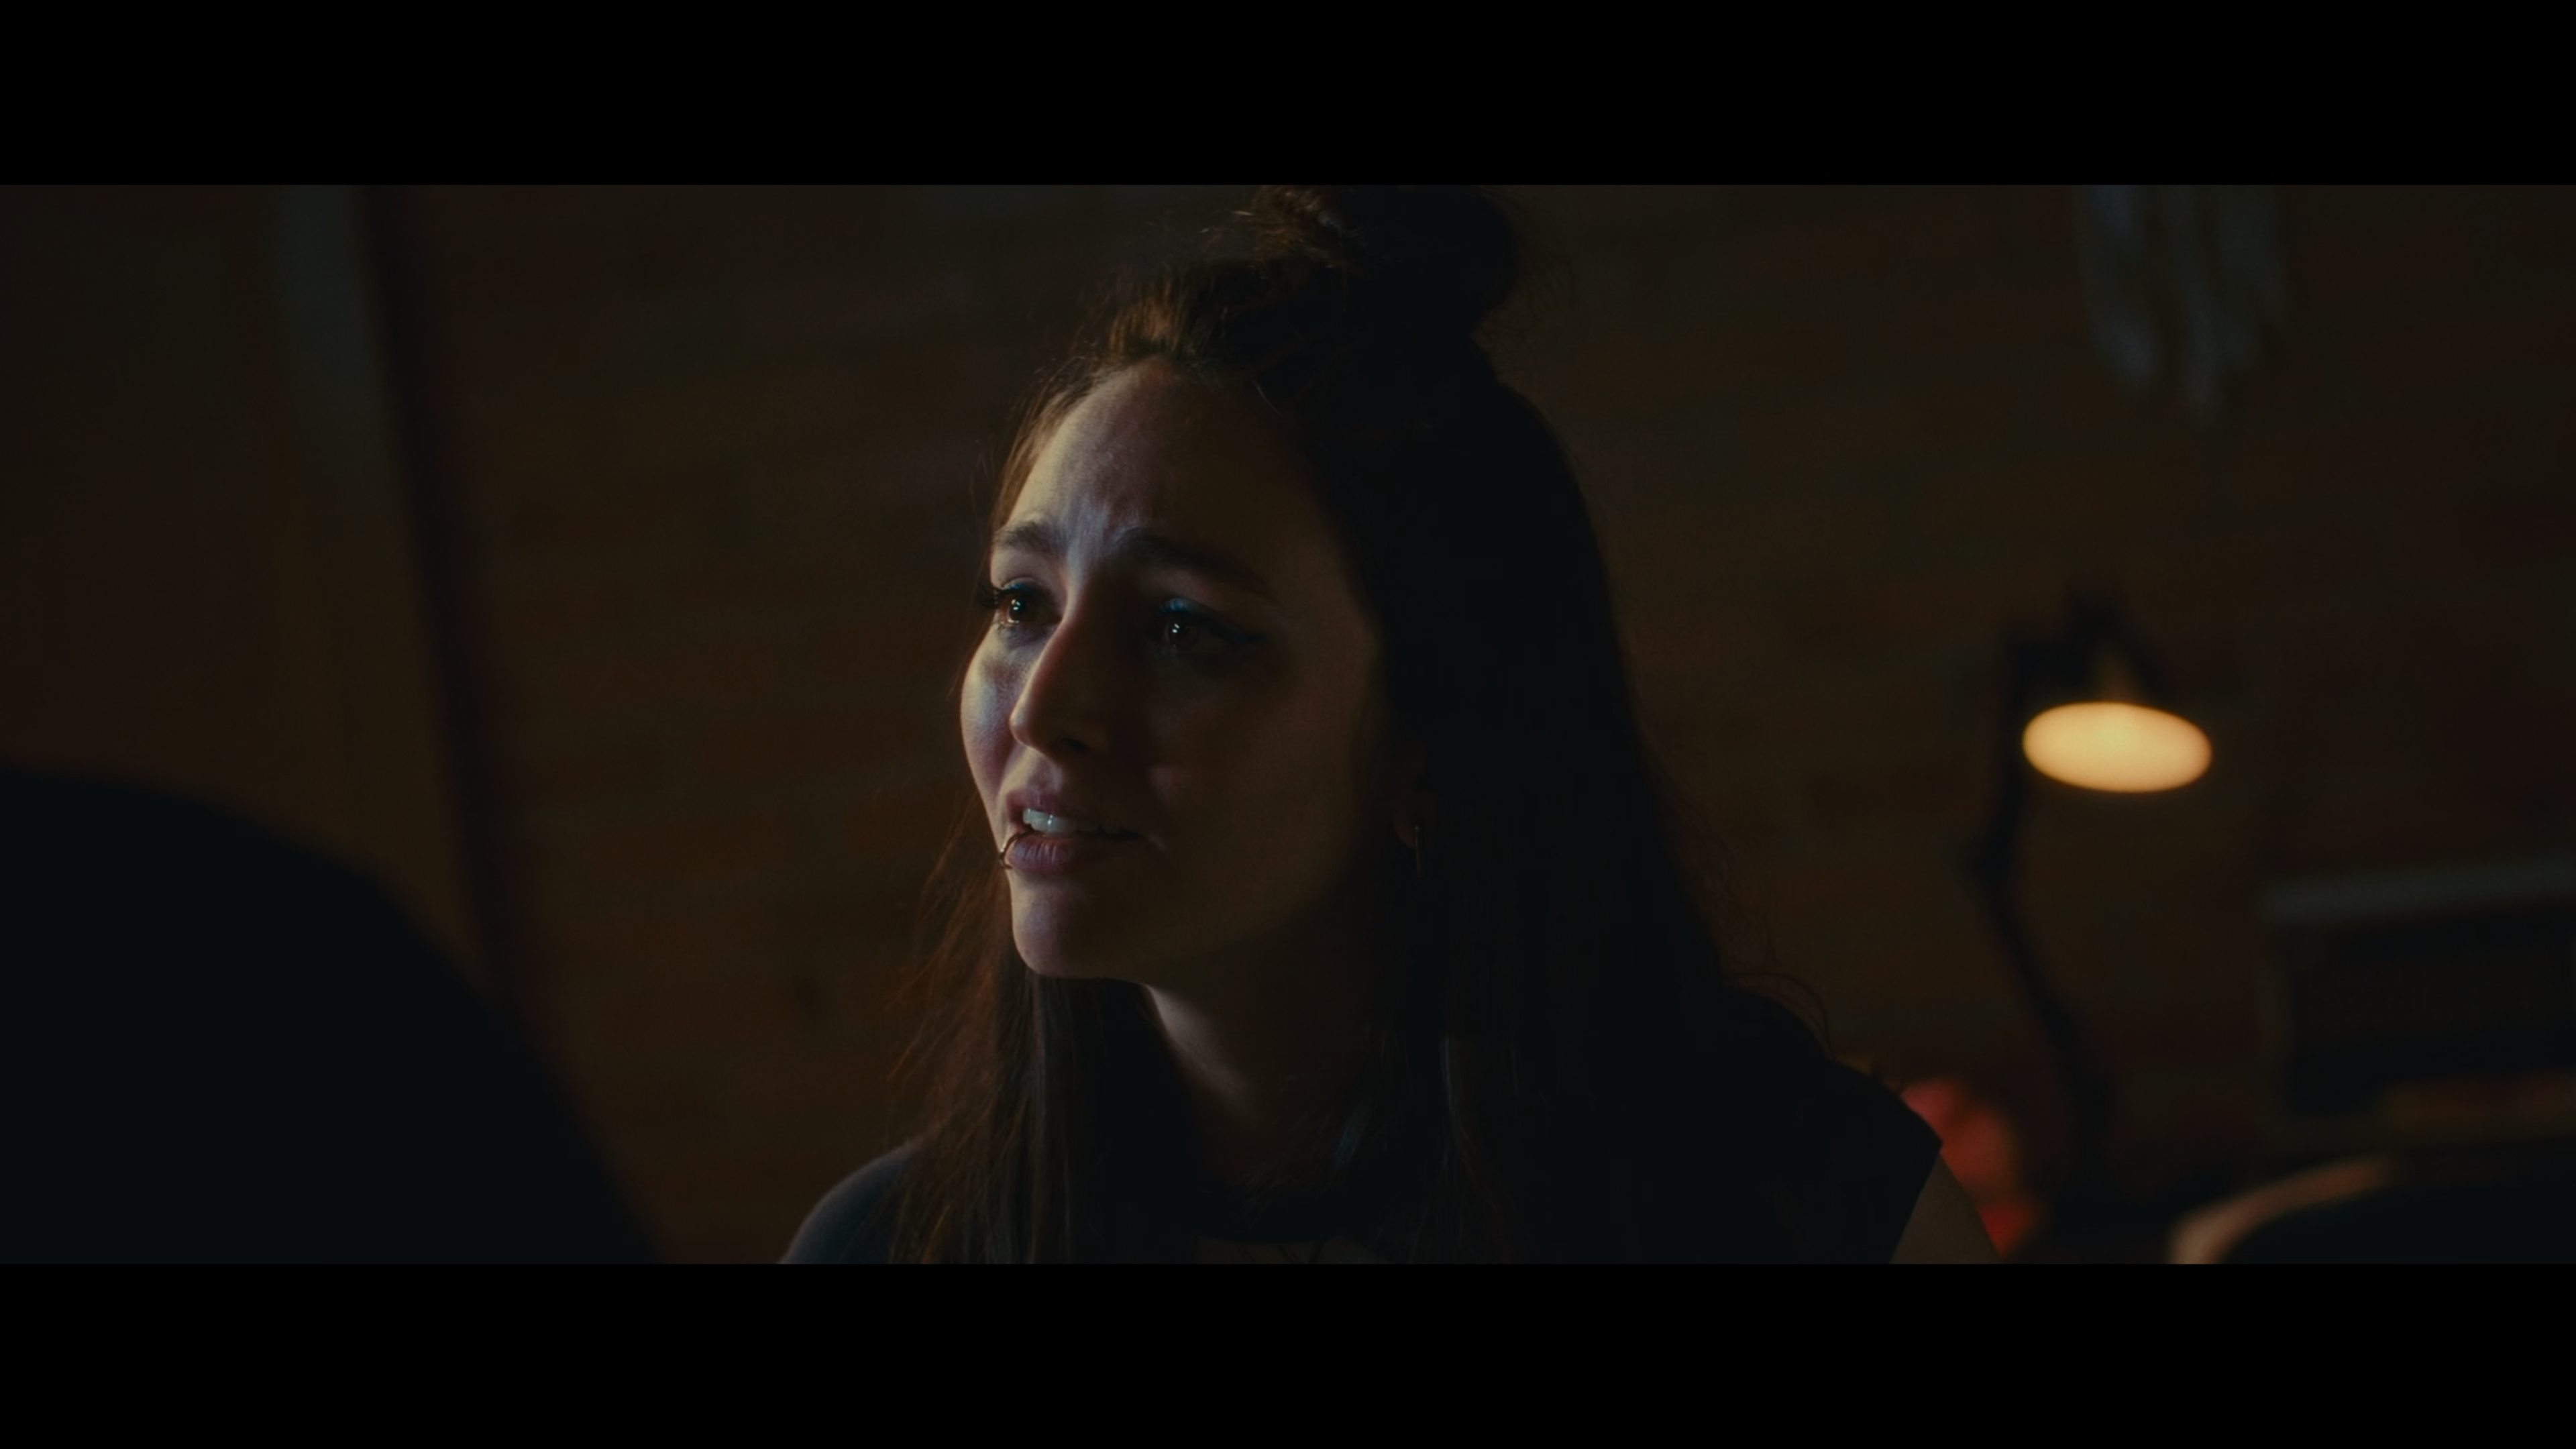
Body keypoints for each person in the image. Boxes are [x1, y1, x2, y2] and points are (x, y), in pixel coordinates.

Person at [787, 186, 1994, 1263]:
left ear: (1436, 736)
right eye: (1022, 604)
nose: (1044, 706)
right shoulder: (896, 1245)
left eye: (1184, 628)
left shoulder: (1796, 1208)